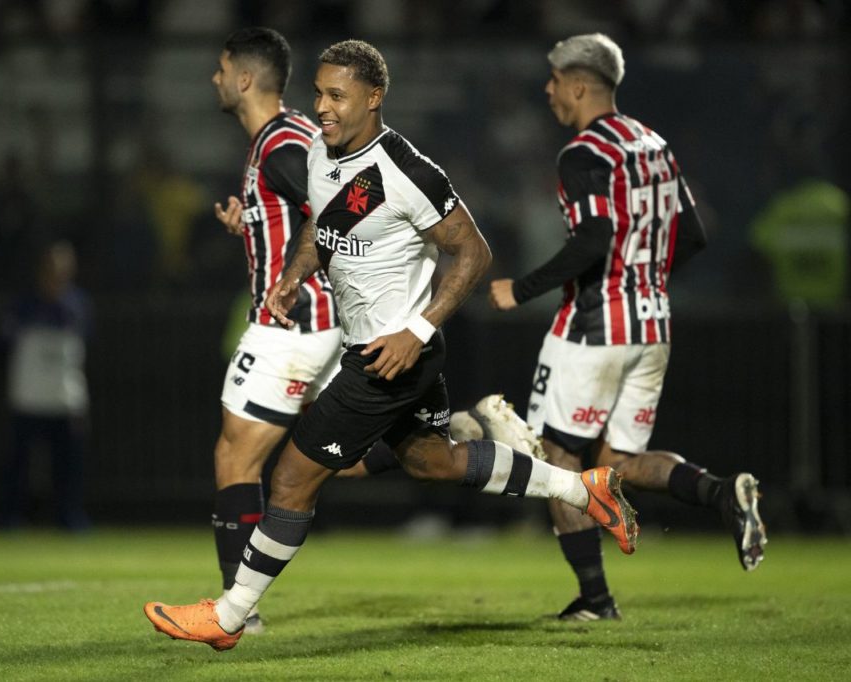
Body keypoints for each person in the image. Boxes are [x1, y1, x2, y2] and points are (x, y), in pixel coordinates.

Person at [143, 39, 639, 652]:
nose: (321, 107)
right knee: (434, 460)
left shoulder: (404, 171)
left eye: (336, 96)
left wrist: (419, 329)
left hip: (391, 356)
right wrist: (295, 274)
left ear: (374, 98)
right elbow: (320, 224)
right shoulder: (324, 154)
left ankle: (228, 615)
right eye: (319, 93)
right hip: (381, 350)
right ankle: (581, 489)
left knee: (294, 477)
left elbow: (474, 252)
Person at [488, 33, 767, 621]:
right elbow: (693, 234)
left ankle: (595, 600)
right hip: (653, 323)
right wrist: (643, 276)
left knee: (558, 459)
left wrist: (522, 288)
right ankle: (722, 493)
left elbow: (593, 239)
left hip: (595, 327)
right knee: (619, 465)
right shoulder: (653, 144)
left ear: (581, 85)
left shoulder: (582, 154)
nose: (549, 89)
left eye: (556, 79)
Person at [203, 27, 344, 634]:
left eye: (220, 68)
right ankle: (463, 433)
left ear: (243, 79)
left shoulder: (282, 143)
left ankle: (240, 612)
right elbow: (300, 213)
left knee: (235, 454)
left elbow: (329, 212)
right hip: (322, 319)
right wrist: (252, 225)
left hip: (291, 321)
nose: (213, 77)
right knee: (343, 452)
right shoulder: (283, 138)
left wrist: (287, 278)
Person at [0, 241, 91, 531]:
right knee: (19, 463)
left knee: (68, 466)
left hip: (65, 396)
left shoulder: (77, 304)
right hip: (28, 396)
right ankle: (11, 517)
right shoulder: (23, 304)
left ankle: (70, 517)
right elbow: (5, 341)